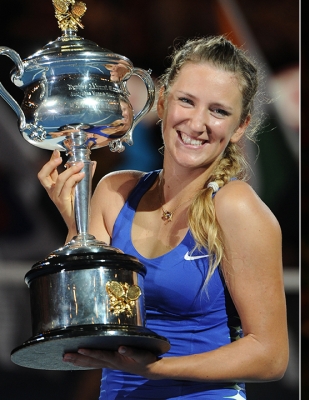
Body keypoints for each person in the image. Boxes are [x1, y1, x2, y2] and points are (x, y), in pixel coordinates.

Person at [38, 35, 289, 399]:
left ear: (240, 126)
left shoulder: (235, 206)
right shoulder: (114, 192)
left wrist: (155, 369)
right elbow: (85, 323)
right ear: (163, 102)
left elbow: (270, 356)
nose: (197, 123)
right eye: (187, 101)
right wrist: (75, 222)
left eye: (218, 111)